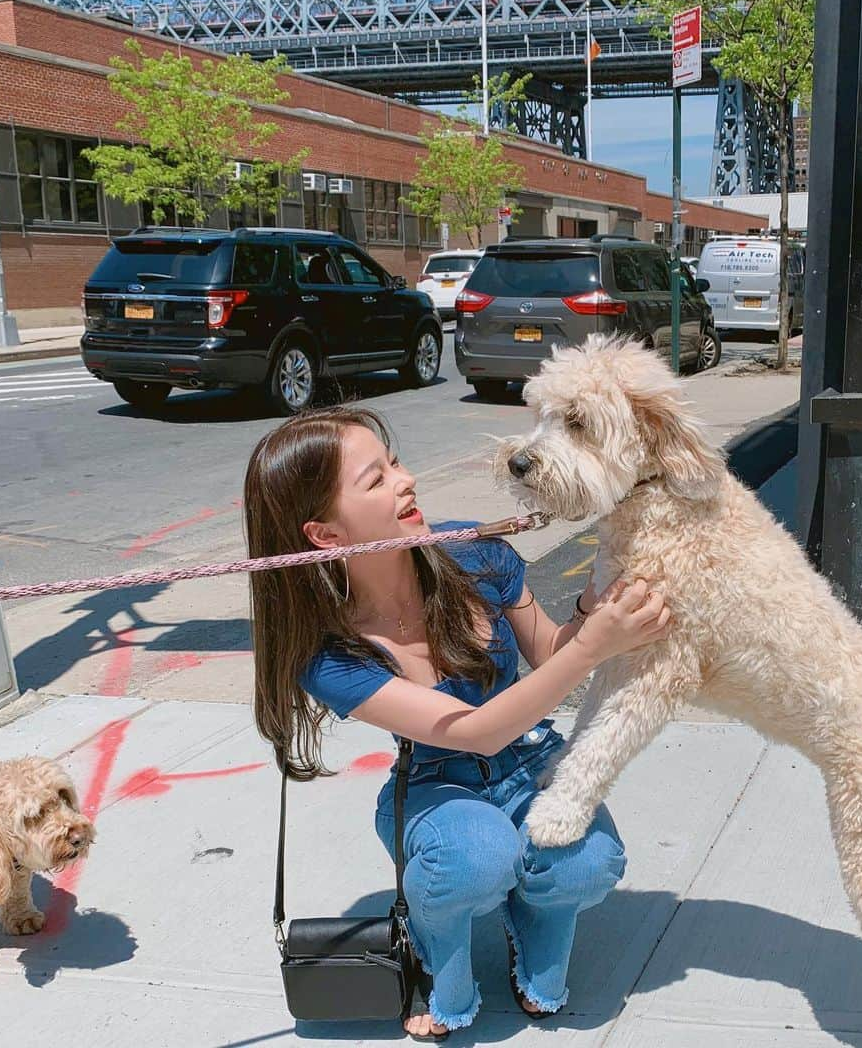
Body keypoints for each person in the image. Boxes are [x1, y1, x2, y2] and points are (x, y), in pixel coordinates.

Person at [245, 407, 672, 1042]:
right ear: (326, 534)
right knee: (474, 858)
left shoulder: (475, 554)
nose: (406, 479)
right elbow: (474, 732)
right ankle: (440, 951)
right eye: (376, 479)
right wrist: (596, 647)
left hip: (530, 760)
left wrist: (591, 609)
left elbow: (551, 653)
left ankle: (533, 916)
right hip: (437, 781)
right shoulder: (328, 655)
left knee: (590, 862)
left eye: (394, 462)